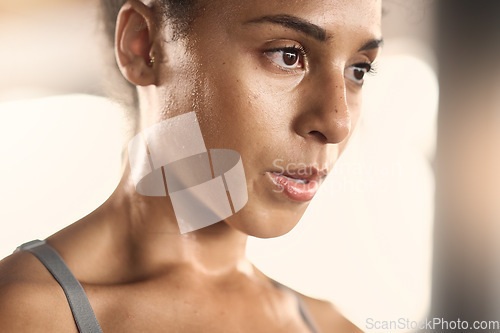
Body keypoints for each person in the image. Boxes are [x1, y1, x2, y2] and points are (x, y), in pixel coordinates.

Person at [0, 0, 382, 331]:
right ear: (144, 45)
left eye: (358, 70)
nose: (337, 123)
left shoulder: (333, 326)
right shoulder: (22, 313)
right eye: (287, 55)